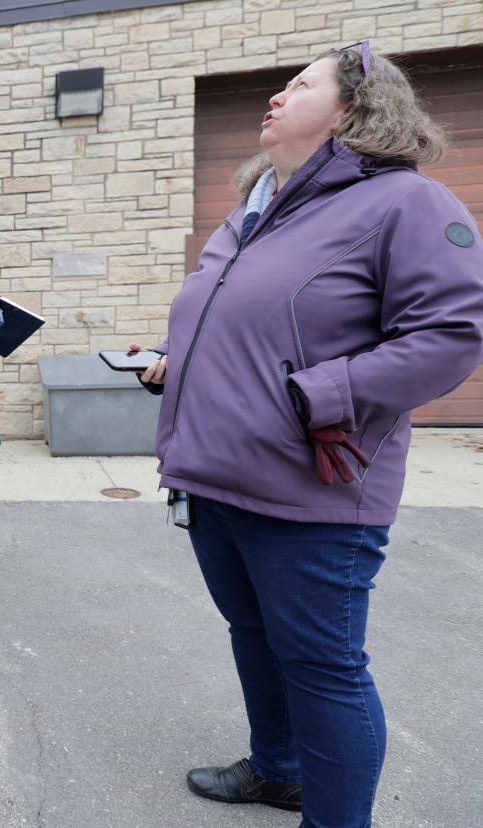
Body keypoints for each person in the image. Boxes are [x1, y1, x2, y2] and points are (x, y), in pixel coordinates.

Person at [137, 43, 483, 827]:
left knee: (325, 669)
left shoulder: (406, 204)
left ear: (358, 109)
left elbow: (451, 333)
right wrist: (175, 360)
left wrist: (319, 394)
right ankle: (279, 770)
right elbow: (250, 327)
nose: (275, 96)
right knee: (253, 635)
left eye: (300, 85)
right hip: (214, 477)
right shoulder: (255, 209)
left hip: (311, 492)